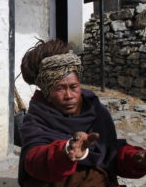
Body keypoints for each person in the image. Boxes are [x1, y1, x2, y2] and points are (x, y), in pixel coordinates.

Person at [18, 39, 146, 187]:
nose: (69, 95)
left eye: (73, 87)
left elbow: (110, 153)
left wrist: (135, 158)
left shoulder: (96, 111)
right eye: (60, 88)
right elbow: (35, 161)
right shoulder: (36, 119)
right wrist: (66, 151)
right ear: (47, 92)